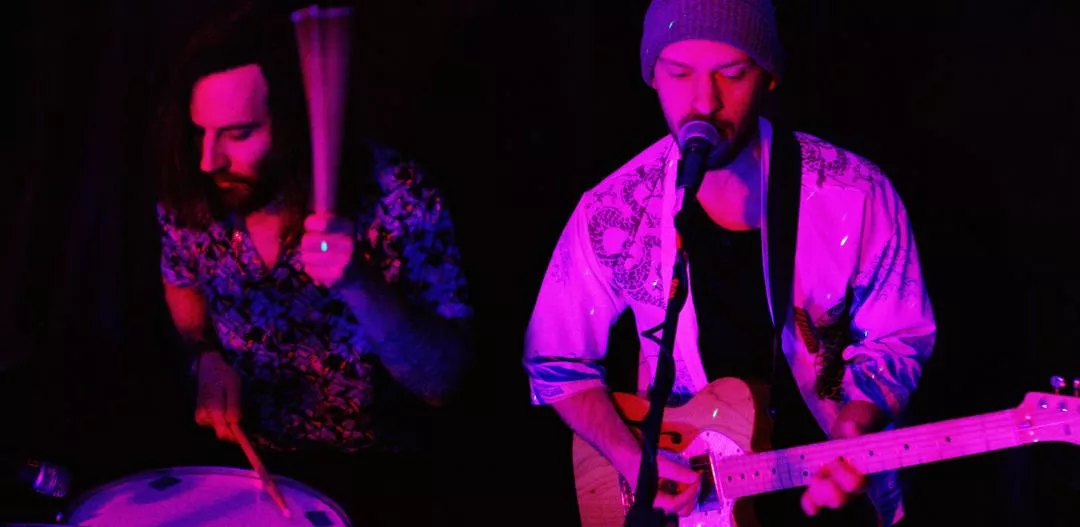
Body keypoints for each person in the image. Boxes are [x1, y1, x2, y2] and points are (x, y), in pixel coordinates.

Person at [523, 0, 935, 525]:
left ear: (769, 76)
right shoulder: (614, 210)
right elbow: (556, 363)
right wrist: (633, 460)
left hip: (828, 501)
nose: (704, 101)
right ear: (652, 76)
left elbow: (898, 335)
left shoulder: (856, 193)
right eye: (679, 73)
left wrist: (857, 418)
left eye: (732, 73)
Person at [155, 5, 472, 525]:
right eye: (200, 134)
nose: (209, 160)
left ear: (296, 126)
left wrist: (359, 283)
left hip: (377, 475)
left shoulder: (397, 195)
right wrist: (203, 352)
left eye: (238, 134)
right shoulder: (192, 192)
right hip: (245, 465)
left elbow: (442, 383)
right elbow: (181, 281)